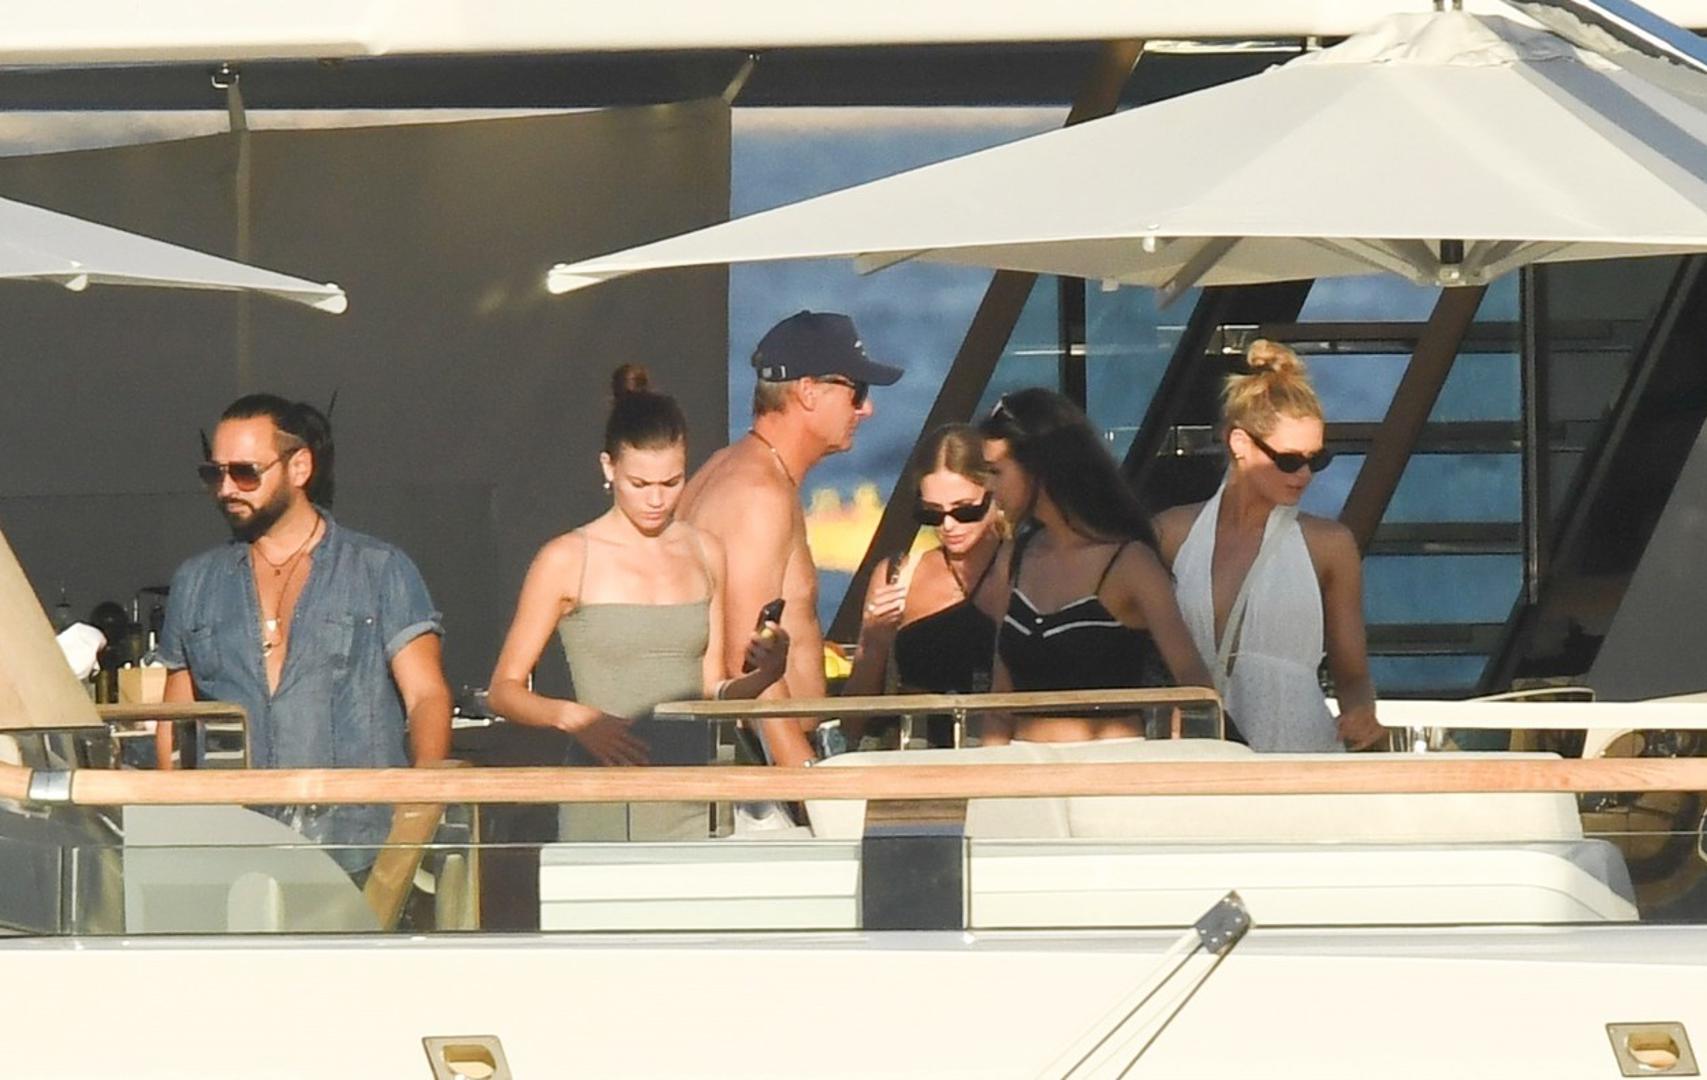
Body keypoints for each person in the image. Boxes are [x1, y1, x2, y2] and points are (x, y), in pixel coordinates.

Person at [487, 365, 789, 839]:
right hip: (605, 800)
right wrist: (575, 718)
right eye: (640, 484)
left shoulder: (705, 551)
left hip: (694, 797)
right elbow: (504, 690)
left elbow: (710, 693)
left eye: (671, 483)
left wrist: (767, 674)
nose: (656, 500)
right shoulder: (567, 558)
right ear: (608, 469)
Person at [157, 394, 452, 872]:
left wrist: (416, 817)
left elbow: (427, 697)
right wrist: (177, 830)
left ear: (299, 467)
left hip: (357, 847)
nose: (227, 488)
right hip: (231, 850)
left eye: (245, 472)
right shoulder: (197, 581)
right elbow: (175, 722)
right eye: (214, 473)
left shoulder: (379, 569)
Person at [677, 310, 903, 766]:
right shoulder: (758, 496)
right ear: (808, 391)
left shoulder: (729, 468)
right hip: (761, 765)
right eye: (858, 391)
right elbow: (747, 663)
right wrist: (805, 785)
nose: (866, 410)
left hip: (758, 755)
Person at [1155, 339, 1384, 752]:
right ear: (1239, 443)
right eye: (1289, 460)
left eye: (1317, 460)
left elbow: (1352, 675)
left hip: (1297, 752)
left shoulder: (1329, 545)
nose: (1304, 474)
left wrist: (1362, 714)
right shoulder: (1172, 533)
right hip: (1196, 758)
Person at [977, 388, 1214, 744]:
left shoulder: (1130, 562)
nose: (988, 486)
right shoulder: (1016, 556)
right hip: (1023, 763)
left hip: (1110, 764)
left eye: (996, 471)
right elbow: (1000, 699)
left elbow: (1194, 682)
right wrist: (990, 768)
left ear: (1038, 467)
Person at [843, 424, 1003, 745]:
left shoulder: (1031, 566)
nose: (948, 525)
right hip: (916, 751)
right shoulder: (898, 575)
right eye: (931, 514)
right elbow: (852, 723)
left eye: (965, 510)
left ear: (997, 493)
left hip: (1006, 754)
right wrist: (873, 643)